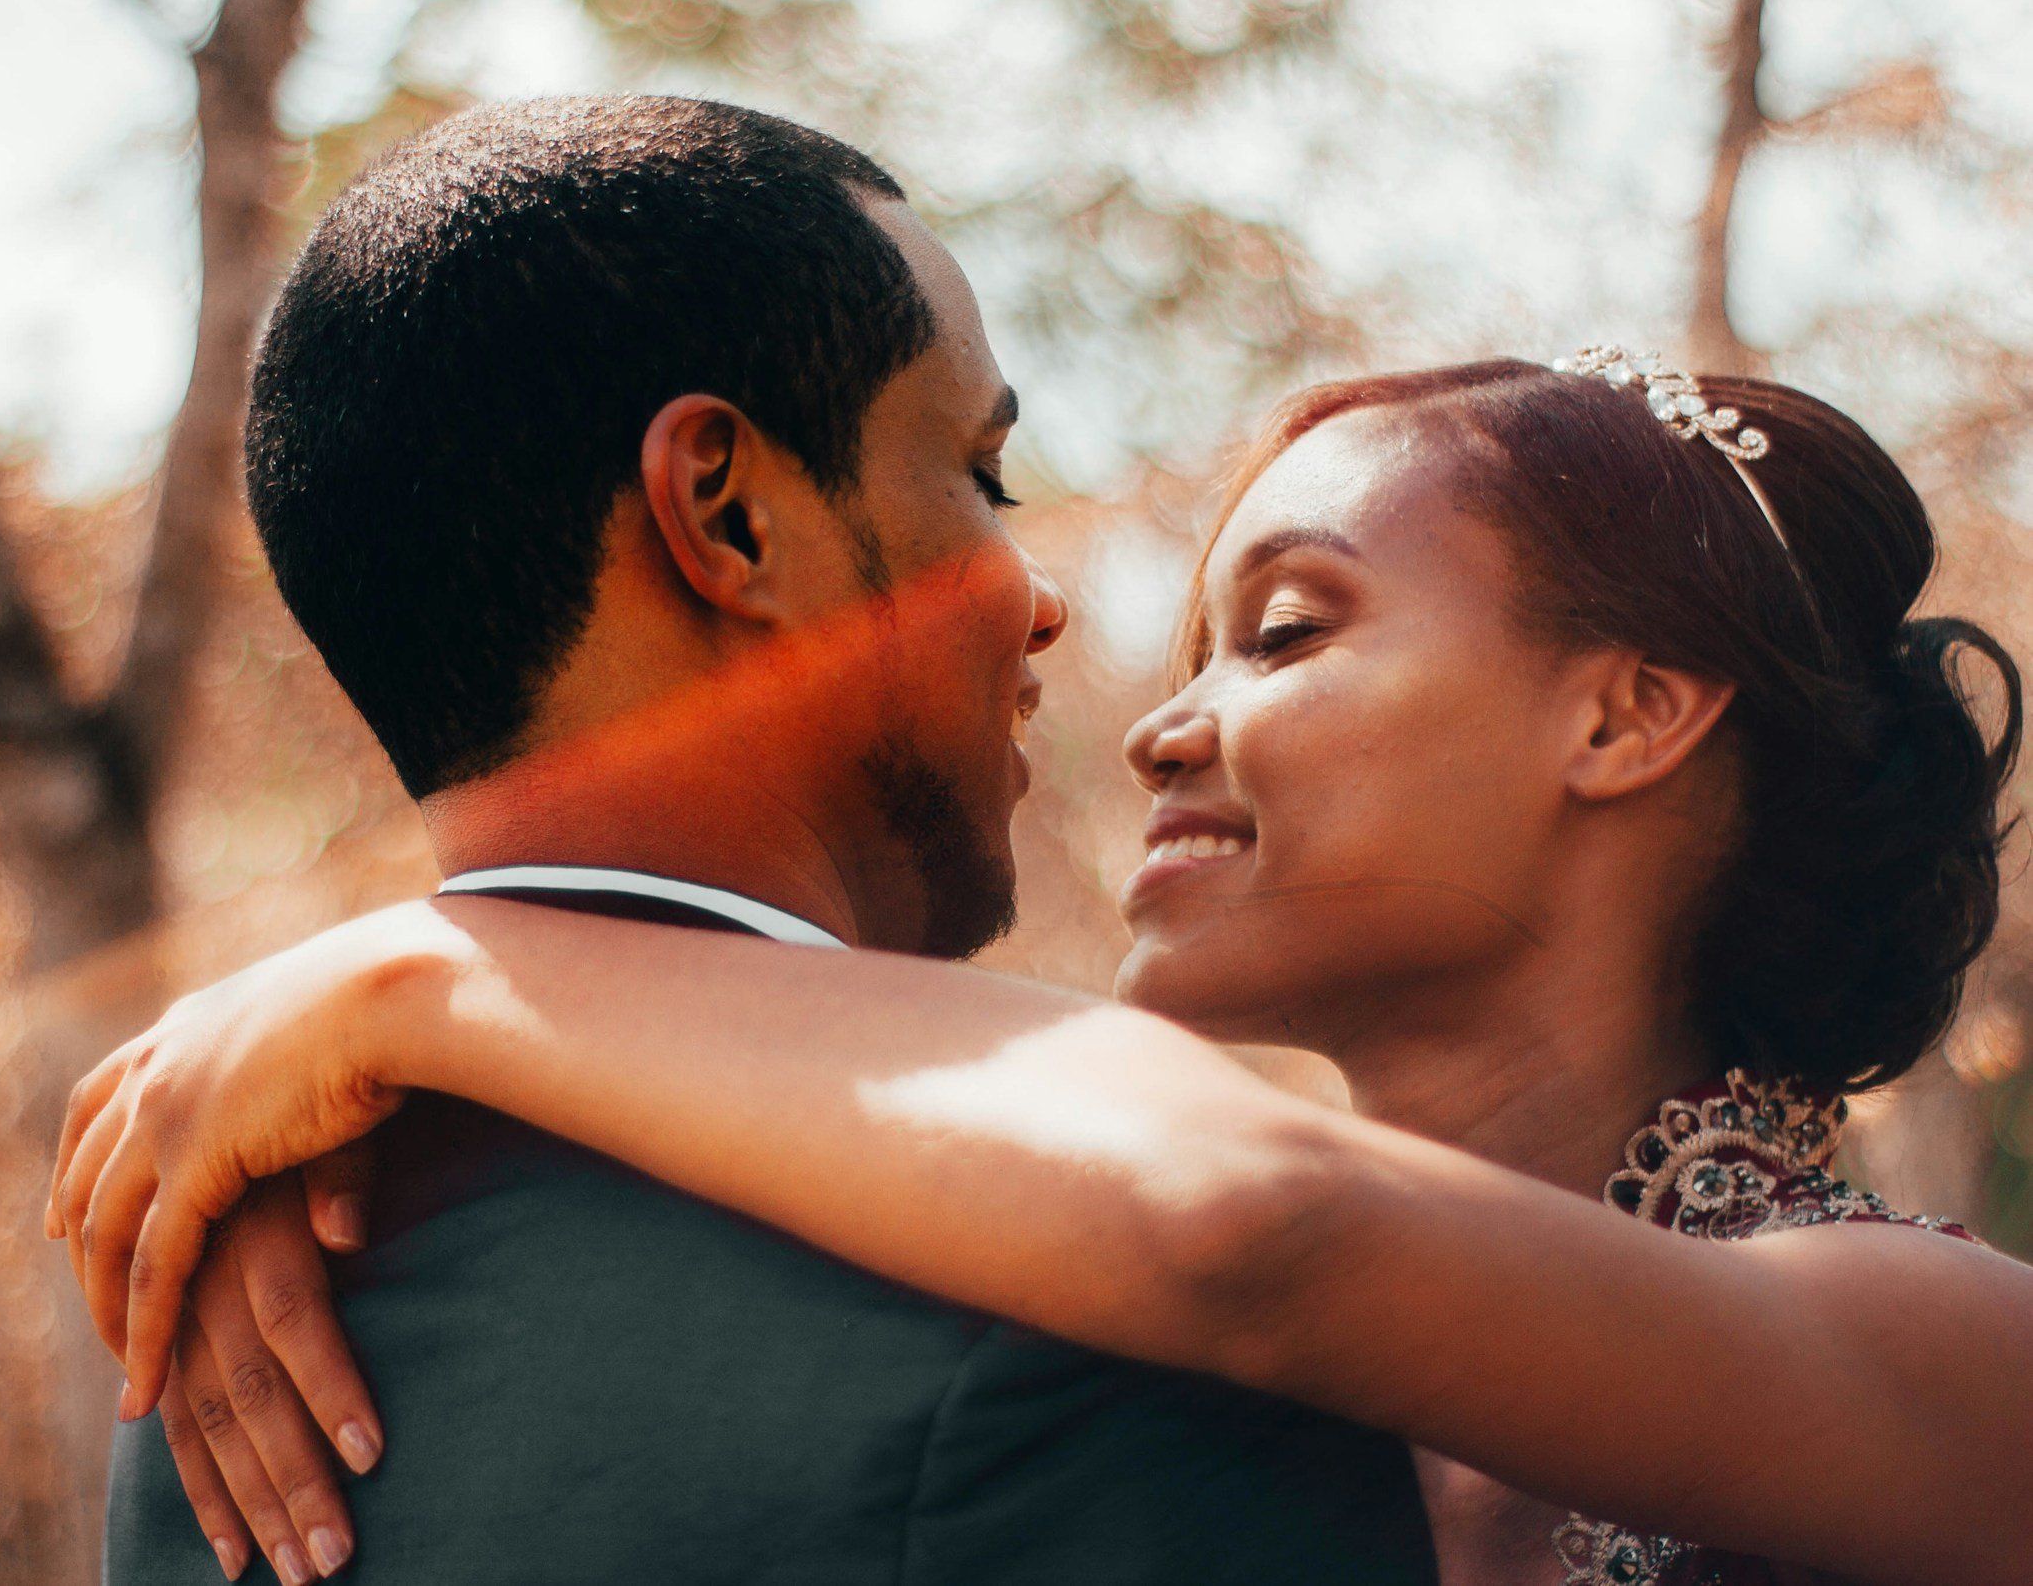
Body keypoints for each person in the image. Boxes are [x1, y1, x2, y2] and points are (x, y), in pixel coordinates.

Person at [55, 348, 2033, 1586]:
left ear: (1622, 718)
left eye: (1285, 631)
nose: (1161, 730)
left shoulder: (1952, 1357)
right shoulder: (1060, 1306)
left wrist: (435, 979)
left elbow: (1253, 1229)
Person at [73, 94, 1445, 1586]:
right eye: (980, 476)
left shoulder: (210, 1366)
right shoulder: (1100, 1273)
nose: (1037, 598)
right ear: (725, 517)